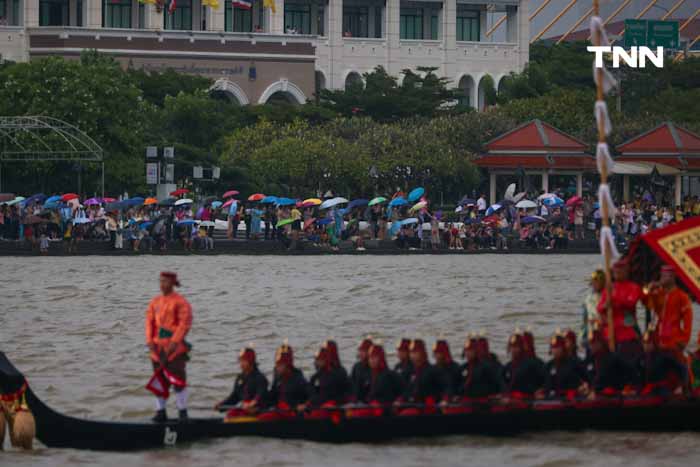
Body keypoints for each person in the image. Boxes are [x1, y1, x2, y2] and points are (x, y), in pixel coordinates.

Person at [145, 272, 193, 422]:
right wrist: (150, 342)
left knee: (178, 381)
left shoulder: (181, 302)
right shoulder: (155, 302)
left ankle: (182, 412)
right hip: (157, 350)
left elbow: (184, 325)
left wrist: (173, 344)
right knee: (159, 382)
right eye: (160, 281)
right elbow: (149, 323)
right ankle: (161, 412)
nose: (162, 284)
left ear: (172, 283)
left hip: (175, 350)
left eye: (165, 281)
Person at [597, 258, 643, 365]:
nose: (617, 274)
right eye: (615, 271)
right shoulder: (609, 289)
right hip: (610, 333)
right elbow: (599, 308)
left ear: (626, 271)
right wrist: (606, 305)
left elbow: (631, 302)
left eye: (620, 271)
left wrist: (615, 300)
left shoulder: (633, 287)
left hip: (627, 332)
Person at [643, 264, 693, 362]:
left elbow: (688, 321)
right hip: (658, 340)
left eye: (665, 276)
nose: (662, 279)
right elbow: (648, 305)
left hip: (674, 341)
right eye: (661, 276)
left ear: (673, 277)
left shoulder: (682, 296)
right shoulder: (658, 293)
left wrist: (684, 340)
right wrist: (649, 290)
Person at [395, 339, 447, 413]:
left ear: (422, 353)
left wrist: (444, 400)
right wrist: (400, 399)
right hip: (412, 404)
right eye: (411, 353)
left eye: (415, 352)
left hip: (427, 407)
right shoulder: (410, 371)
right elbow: (407, 389)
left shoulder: (433, 370)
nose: (412, 355)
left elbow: (446, 387)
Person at [216, 346, 269, 416]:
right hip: (244, 409)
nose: (241, 364)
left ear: (251, 362)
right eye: (240, 361)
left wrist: (252, 403)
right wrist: (221, 405)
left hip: (257, 411)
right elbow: (234, 397)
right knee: (231, 414)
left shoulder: (260, 378)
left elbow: (261, 395)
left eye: (244, 361)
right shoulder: (240, 378)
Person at [637, 328, 686, 396]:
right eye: (644, 342)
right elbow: (639, 374)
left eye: (648, 342)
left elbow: (682, 368)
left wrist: (680, 386)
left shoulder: (664, 355)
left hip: (662, 390)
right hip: (648, 389)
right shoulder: (642, 357)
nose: (645, 345)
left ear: (654, 343)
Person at [537, 334, 586, 399]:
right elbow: (544, 384)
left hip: (571, 400)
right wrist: (540, 391)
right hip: (551, 398)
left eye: (558, 347)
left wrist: (585, 388)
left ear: (563, 348)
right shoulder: (548, 365)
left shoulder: (574, 363)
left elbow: (587, 379)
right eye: (553, 348)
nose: (555, 350)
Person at [304, 342, 350, 409]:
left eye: (320, 359)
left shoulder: (339, 372)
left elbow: (334, 394)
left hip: (334, 406)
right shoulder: (319, 373)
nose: (316, 362)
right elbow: (311, 387)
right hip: (319, 403)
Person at [266, 342, 308, 415]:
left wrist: (305, 405)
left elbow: (310, 395)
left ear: (287, 365)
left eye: (279, 364)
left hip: (293, 414)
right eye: (276, 364)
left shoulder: (298, 378)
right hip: (279, 411)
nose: (277, 367)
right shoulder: (277, 376)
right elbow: (272, 396)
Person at [457, 335, 504, 400]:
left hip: (484, 401)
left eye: (470, 351)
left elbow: (499, 382)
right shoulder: (463, 368)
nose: (467, 353)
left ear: (476, 351)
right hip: (466, 400)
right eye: (466, 351)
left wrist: (501, 395)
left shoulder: (486, 367)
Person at [502, 331, 546, 398]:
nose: (514, 350)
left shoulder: (532, 363)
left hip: (529, 399)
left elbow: (547, 379)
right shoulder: (508, 366)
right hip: (512, 399)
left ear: (522, 348)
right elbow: (502, 382)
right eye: (512, 347)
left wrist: (541, 390)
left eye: (516, 347)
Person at [581, 270, 605, 351]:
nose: (594, 284)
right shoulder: (587, 299)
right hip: (591, 334)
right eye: (593, 282)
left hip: (605, 334)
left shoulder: (608, 297)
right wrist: (583, 336)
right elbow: (584, 321)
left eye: (596, 282)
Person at [350, 337, 373, 402]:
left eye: (363, 351)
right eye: (360, 350)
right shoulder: (357, 366)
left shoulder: (374, 368)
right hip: (356, 401)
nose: (360, 353)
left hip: (369, 403)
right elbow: (351, 383)